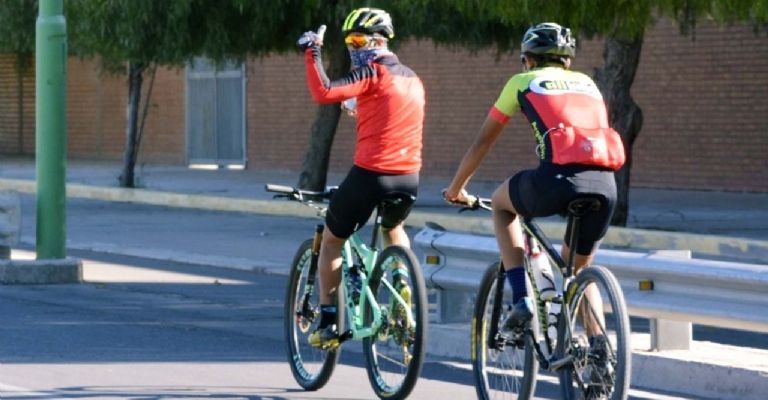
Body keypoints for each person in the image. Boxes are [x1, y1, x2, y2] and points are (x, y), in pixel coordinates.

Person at [443, 23, 625, 335]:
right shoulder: (588, 83)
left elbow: (482, 142)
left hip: (556, 180)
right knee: (578, 271)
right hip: (605, 185)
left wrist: (456, 189)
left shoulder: (522, 82)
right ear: (567, 60)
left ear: (528, 59)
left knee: (502, 205)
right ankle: (599, 350)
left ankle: (521, 299)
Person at [297, 8, 426, 349]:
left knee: (332, 241)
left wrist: (312, 52)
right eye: (349, 42)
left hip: (372, 175)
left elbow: (324, 92)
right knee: (393, 227)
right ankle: (402, 279)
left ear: (379, 41)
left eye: (358, 40)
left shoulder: (372, 72)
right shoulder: (412, 78)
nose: (353, 48)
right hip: (409, 177)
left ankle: (328, 322)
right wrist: (358, 105)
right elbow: (386, 108)